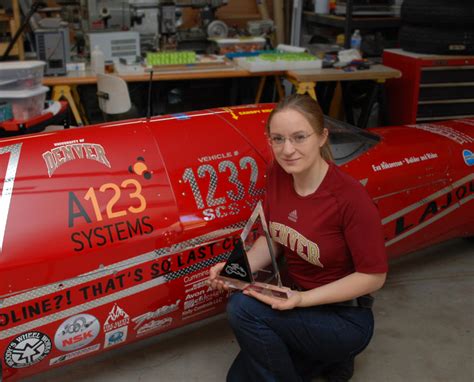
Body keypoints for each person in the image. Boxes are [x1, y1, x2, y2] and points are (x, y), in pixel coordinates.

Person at [209, 94, 388, 382]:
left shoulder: (349, 197)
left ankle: (335, 354)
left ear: (322, 137)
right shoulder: (279, 175)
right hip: (297, 310)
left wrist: (302, 299)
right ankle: (328, 363)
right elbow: (273, 239)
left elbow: (373, 277)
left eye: (299, 137)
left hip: (343, 318)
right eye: (278, 139)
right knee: (238, 379)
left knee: (242, 309)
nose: (287, 149)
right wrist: (233, 270)